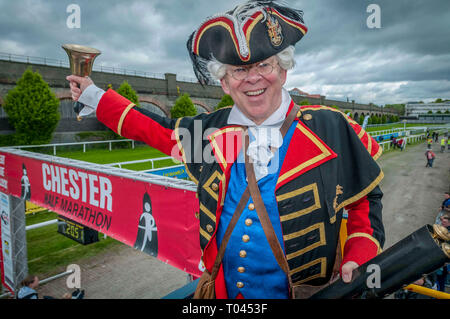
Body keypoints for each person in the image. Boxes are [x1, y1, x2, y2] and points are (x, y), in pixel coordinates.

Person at [66, 0, 385, 299]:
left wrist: (359, 252)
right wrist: (94, 95)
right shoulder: (211, 130)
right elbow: (155, 129)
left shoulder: (330, 127)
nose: (253, 78)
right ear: (225, 82)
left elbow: (365, 199)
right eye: (239, 70)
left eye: (264, 65)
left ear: (284, 69)